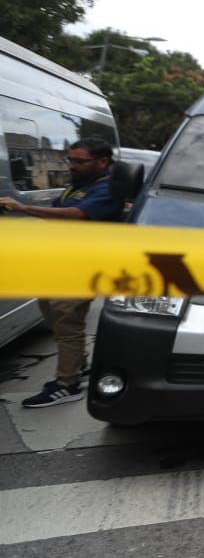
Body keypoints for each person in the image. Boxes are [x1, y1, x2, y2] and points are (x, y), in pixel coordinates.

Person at [1, 138, 123, 407]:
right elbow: (57, 213)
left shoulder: (108, 187)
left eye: (79, 161)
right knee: (52, 312)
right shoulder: (80, 185)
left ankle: (67, 384)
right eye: (70, 160)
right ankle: (78, 364)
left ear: (102, 161)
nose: (71, 166)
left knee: (67, 321)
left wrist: (23, 207)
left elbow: (74, 215)